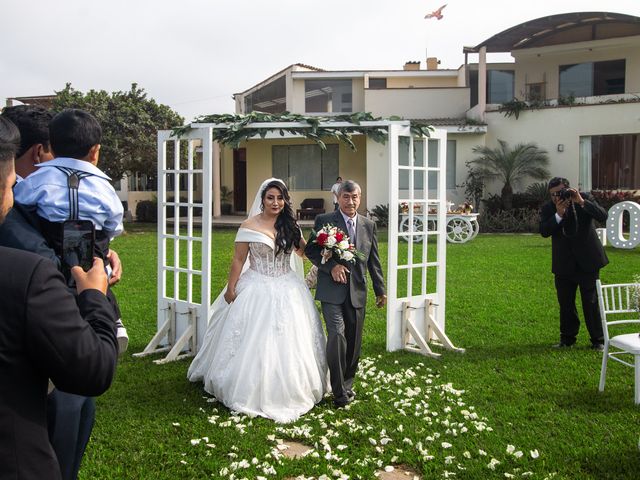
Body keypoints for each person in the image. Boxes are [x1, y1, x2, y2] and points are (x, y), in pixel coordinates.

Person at [1, 106, 124, 480]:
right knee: (69, 413)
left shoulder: (33, 186)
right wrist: (97, 261)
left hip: (66, 274)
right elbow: (113, 221)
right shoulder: (102, 185)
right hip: (24, 447)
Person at [188, 178, 327, 422]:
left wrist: (326, 248)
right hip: (256, 286)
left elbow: (304, 253)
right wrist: (231, 288)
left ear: (285, 201)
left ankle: (290, 387)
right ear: (262, 200)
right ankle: (246, 385)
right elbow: (238, 260)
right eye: (271, 197)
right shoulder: (249, 225)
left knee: (291, 338)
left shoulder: (290, 226)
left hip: (288, 286)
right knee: (253, 337)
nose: (275, 202)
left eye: (280, 198)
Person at [12, 108, 128, 352]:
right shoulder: (104, 186)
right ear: (95, 151)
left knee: (65, 279)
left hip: (53, 237)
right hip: (93, 239)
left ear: (50, 146)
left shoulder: (37, 179)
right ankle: (113, 321)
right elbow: (115, 220)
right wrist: (108, 239)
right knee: (99, 273)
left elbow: (20, 201)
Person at [305, 180, 386, 408]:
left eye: (355, 197)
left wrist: (381, 290)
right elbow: (311, 250)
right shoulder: (324, 221)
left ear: (360, 198)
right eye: (346, 197)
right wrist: (331, 267)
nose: (351, 202)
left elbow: (372, 261)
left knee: (353, 342)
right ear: (338, 198)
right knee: (337, 335)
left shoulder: (369, 225)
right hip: (331, 292)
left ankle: (347, 384)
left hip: (357, 291)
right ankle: (339, 392)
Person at [540, 177, 609, 350]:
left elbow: (603, 215)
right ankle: (567, 339)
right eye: (553, 195)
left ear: (568, 189)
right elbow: (544, 231)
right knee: (566, 303)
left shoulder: (583, 198)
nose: (557, 197)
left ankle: (598, 340)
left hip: (588, 261)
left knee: (591, 302)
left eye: (560, 193)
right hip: (564, 263)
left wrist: (582, 202)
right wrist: (558, 214)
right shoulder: (549, 208)